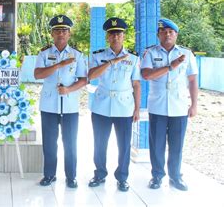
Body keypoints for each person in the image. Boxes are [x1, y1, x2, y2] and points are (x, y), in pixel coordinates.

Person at [141, 18, 198, 191]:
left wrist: (194, 104)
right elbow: (146, 75)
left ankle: (175, 177)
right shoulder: (150, 53)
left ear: (176, 35)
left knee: (176, 145)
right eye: (164, 32)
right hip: (158, 106)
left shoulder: (187, 54)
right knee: (156, 144)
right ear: (158, 35)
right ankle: (157, 176)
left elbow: (193, 79)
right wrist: (170, 66)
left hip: (179, 106)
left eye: (171, 32)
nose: (167, 35)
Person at [87, 17, 141, 192]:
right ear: (107, 37)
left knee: (124, 145)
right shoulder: (98, 55)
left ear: (123, 36)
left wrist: (137, 108)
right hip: (101, 106)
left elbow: (136, 84)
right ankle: (100, 173)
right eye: (112, 34)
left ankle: (122, 177)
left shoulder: (133, 58)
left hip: (124, 107)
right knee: (99, 143)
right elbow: (91, 76)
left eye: (118, 33)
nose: (115, 37)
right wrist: (111, 62)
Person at [34, 15, 87, 188]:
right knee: (49, 143)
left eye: (64, 30)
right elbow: (38, 74)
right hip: (49, 105)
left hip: (69, 105)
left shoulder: (77, 55)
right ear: (52, 33)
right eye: (57, 30)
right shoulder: (44, 53)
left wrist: (69, 90)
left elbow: (83, 79)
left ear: (69, 34)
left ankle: (71, 176)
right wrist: (58, 65)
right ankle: (49, 175)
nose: (60, 34)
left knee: (70, 143)